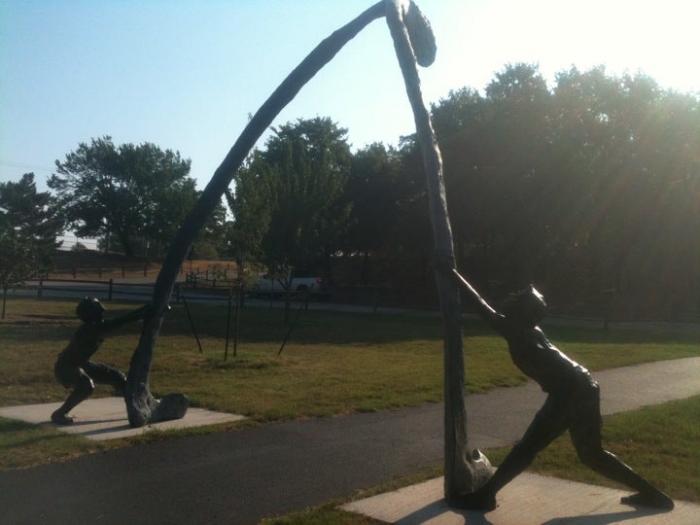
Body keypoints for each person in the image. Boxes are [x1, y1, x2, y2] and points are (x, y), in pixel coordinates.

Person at [448, 268, 674, 511]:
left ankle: (486, 496)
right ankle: (653, 495)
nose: (542, 312)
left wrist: (451, 273)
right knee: (592, 455)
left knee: (528, 447)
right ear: (527, 311)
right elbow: (481, 305)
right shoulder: (522, 328)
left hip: (571, 392)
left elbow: (480, 305)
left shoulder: (520, 329)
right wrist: (451, 273)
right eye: (538, 307)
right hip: (583, 386)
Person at [51, 297, 150, 425]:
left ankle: (138, 406)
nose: (103, 311)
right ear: (90, 313)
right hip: (66, 367)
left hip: (81, 364)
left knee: (118, 377)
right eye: (98, 309)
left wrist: (145, 311)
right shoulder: (91, 329)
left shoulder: (94, 327)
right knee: (86, 386)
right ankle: (59, 414)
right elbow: (121, 321)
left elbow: (119, 322)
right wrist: (144, 311)